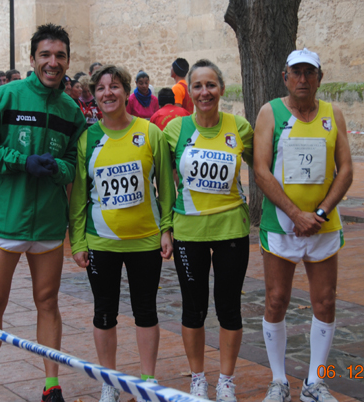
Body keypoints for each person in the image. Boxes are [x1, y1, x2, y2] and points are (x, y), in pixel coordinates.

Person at [0, 23, 86, 402]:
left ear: (67, 61)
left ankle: (52, 385)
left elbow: (74, 163)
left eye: (60, 56)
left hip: (49, 224)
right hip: (5, 220)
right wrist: (21, 161)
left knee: (47, 302)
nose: (53, 62)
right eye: (46, 55)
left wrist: (59, 169)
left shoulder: (71, 110)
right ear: (32, 59)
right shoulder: (6, 96)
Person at [69, 65, 174, 402]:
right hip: (102, 242)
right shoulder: (88, 139)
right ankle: (109, 382)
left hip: (145, 240)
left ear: (126, 92)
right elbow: (80, 196)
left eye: (114, 87)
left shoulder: (150, 132)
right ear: (94, 95)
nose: (107, 93)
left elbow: (166, 187)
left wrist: (167, 228)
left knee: (146, 310)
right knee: (104, 312)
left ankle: (147, 381)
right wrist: (78, 241)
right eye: (100, 88)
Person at [253, 48, 353, 402]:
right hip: (282, 224)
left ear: (319, 78)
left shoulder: (332, 113)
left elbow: (347, 169)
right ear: (285, 77)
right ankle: (279, 381)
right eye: (296, 72)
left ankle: (315, 382)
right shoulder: (271, 112)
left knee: (325, 302)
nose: (303, 79)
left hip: (322, 227)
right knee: (276, 300)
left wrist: (321, 213)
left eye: (310, 73)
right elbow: (261, 169)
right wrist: (296, 214)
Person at [162, 59, 253, 402]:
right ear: (189, 90)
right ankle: (198, 378)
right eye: (198, 85)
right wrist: (165, 228)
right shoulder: (175, 130)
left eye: (211, 85)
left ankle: (226, 380)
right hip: (189, 232)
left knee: (229, 307)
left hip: (232, 228)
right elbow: (165, 185)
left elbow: (266, 166)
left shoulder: (240, 127)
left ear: (222, 89)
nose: (204, 92)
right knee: (193, 308)